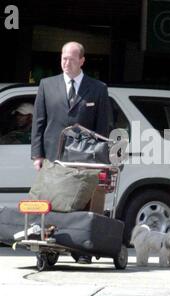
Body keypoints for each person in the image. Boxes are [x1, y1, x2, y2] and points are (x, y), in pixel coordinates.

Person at [31, 41, 113, 264]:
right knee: (51, 202)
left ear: (82, 61)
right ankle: (48, 250)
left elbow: (102, 128)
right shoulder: (47, 85)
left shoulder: (98, 89)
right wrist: (37, 156)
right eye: (63, 58)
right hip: (53, 157)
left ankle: (82, 249)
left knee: (83, 202)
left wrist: (101, 160)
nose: (66, 63)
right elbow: (39, 122)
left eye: (71, 59)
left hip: (85, 158)